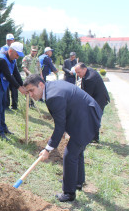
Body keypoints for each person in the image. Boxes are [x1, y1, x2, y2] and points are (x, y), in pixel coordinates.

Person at [23, 74, 102, 202]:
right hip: (84, 115)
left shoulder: (53, 96)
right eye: (28, 92)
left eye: (32, 90)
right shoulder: (50, 88)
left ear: (41, 85)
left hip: (87, 120)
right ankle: (76, 182)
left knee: (70, 155)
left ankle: (69, 193)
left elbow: (59, 127)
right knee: (77, 151)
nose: (30, 95)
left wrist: (47, 149)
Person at [0, 42, 26, 141]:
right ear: (10, 51)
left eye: (19, 55)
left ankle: (3, 128)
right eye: (17, 54)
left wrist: (23, 85)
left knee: (3, 106)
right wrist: (19, 88)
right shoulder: (1, 59)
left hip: (3, 84)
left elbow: (16, 73)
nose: (17, 57)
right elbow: (9, 75)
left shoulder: (12, 59)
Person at [74, 63, 110, 143]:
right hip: (95, 98)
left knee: (94, 117)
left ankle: (94, 138)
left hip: (99, 100)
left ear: (84, 69)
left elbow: (87, 95)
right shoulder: (87, 71)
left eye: (79, 72)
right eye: (76, 72)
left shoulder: (90, 78)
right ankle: (91, 136)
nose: (77, 74)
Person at [0, 33, 18, 110]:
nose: (10, 42)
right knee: (6, 88)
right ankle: (6, 105)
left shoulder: (16, 48)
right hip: (6, 71)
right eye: (8, 40)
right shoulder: (3, 48)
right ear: (6, 41)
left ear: (13, 40)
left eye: (11, 40)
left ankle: (14, 105)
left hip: (13, 69)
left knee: (14, 87)